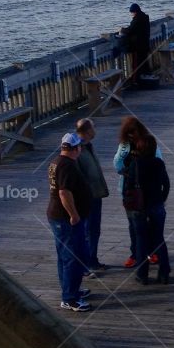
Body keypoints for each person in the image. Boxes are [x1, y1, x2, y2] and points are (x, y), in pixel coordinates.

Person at [46, 132, 93, 312]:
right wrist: (74, 215)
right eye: (79, 146)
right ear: (75, 149)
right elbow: (64, 193)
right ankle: (70, 298)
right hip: (65, 219)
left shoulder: (56, 161)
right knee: (73, 257)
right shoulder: (67, 166)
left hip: (57, 216)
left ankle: (70, 289)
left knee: (64, 257)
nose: (81, 148)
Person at [114, 116, 163, 267]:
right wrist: (126, 171)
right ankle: (135, 253)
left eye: (133, 133)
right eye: (127, 134)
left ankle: (153, 251)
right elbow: (117, 163)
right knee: (133, 224)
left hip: (147, 190)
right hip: (129, 190)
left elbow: (159, 162)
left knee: (151, 223)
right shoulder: (124, 145)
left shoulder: (149, 142)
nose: (131, 137)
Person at [125, 134, 171, 286]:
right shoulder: (159, 163)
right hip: (156, 205)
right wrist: (161, 199)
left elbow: (128, 187)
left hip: (139, 208)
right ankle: (164, 273)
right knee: (159, 239)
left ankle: (142, 274)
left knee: (141, 240)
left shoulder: (135, 164)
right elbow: (167, 184)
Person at [75, 117, 110, 274]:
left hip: (96, 194)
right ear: (88, 131)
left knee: (94, 229)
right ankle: (88, 263)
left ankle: (92, 259)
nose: (95, 130)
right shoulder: (78, 149)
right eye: (93, 128)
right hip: (88, 198)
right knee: (89, 230)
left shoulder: (88, 146)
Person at [122, 2, 151, 83]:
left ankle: (136, 81)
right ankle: (144, 79)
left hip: (138, 46)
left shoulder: (137, 19)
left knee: (137, 64)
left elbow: (131, 30)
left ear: (135, 12)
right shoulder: (145, 17)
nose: (131, 14)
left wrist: (122, 30)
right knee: (144, 62)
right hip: (145, 44)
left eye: (132, 12)